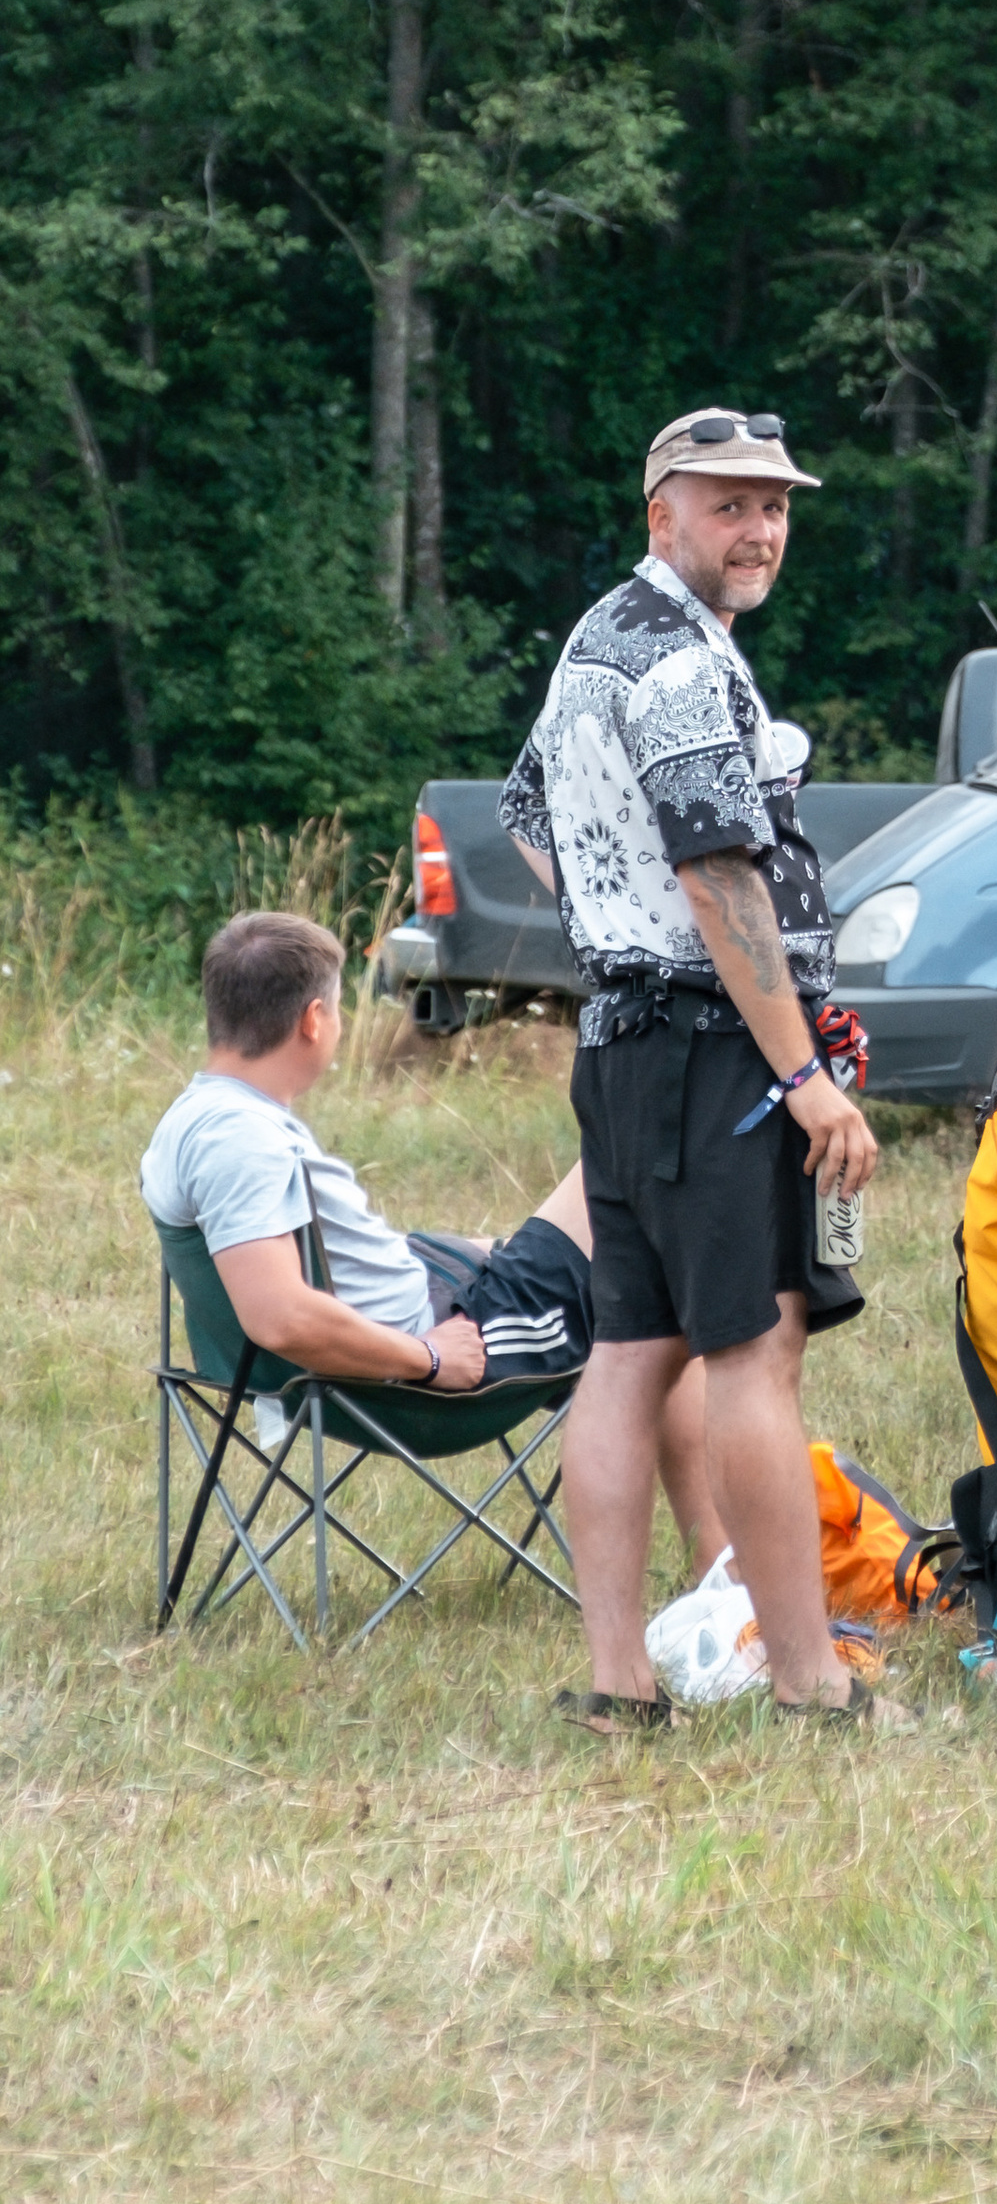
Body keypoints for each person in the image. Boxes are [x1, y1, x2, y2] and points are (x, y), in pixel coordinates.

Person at [502, 405, 880, 1731]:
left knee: (629, 1352)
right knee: (753, 1356)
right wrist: (803, 1076)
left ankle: (620, 1685)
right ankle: (812, 1684)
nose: (758, 529)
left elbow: (528, 810)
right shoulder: (673, 662)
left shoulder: (600, 637)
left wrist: (612, 929)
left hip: (624, 1045)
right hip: (715, 1053)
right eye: (728, 505)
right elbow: (719, 877)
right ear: (660, 512)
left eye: (773, 506)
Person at [139, 912, 721, 1573]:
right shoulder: (242, 1143)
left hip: (416, 1309)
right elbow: (280, 1318)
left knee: (603, 1198)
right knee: (653, 1273)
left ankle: (724, 1564)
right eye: (337, 1010)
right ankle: (724, 1574)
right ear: (313, 1021)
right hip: (432, 1358)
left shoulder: (198, 1115)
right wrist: (428, 1357)